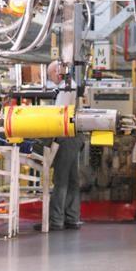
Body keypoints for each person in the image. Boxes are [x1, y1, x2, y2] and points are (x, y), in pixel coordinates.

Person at [37, 60, 83, 231]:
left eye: (50, 76)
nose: (51, 79)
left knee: (61, 179)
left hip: (67, 136)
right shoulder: (70, 85)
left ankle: (56, 220)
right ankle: (72, 218)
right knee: (72, 180)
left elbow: (59, 115)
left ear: (57, 72)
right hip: (75, 136)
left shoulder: (66, 87)